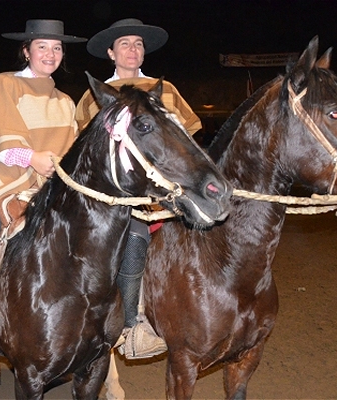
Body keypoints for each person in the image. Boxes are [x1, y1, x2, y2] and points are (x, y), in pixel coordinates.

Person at [0, 19, 86, 380]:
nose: (50, 54)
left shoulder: (65, 101)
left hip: (54, 188)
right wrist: (32, 159)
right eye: (42, 47)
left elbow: (72, 151)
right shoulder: (3, 84)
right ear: (26, 50)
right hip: (4, 183)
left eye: (57, 48)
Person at [75, 18, 202, 360]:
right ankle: (132, 324)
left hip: (167, 187)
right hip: (120, 192)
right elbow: (87, 149)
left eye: (138, 44)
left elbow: (184, 141)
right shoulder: (96, 96)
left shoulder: (165, 89)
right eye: (125, 44)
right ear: (110, 52)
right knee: (134, 236)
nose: (133, 50)